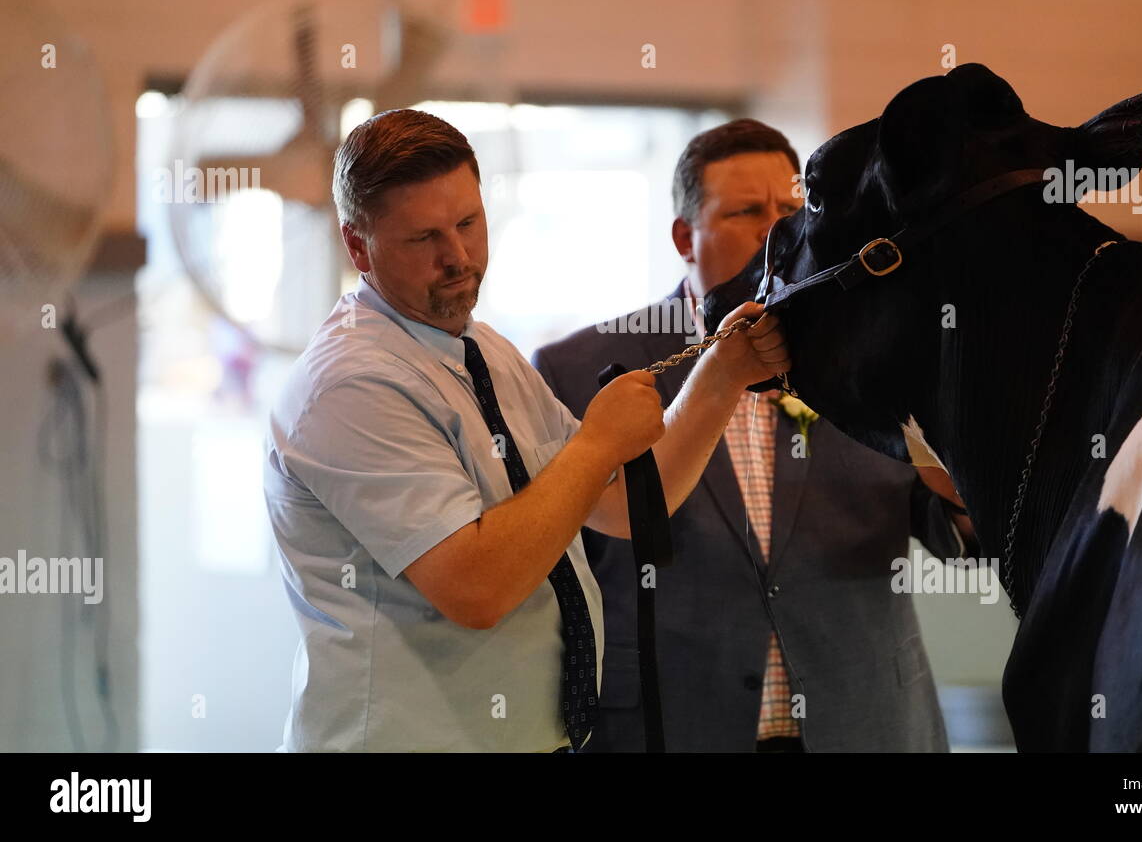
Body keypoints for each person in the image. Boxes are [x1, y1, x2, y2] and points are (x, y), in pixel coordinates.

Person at [262, 109, 789, 751]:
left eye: (467, 223)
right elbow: (478, 588)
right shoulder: (350, 385)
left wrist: (723, 374)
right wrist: (596, 445)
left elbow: (623, 505)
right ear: (357, 246)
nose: (456, 256)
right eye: (423, 238)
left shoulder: (482, 349)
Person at [533, 119, 971, 752]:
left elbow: (948, 523)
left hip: (864, 718)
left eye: (792, 209)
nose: (777, 230)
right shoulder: (578, 369)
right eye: (747, 212)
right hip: (673, 722)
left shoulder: (871, 352)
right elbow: (562, 566)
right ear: (685, 236)